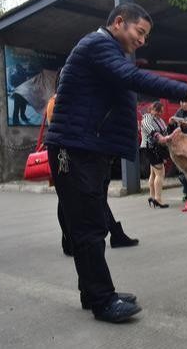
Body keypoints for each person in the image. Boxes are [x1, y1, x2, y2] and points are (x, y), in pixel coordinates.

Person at [44, 3, 187, 323]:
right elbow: (133, 77)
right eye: (139, 32)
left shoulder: (106, 51)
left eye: (146, 36)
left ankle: (92, 293)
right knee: (89, 228)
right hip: (75, 150)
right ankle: (102, 299)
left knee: (91, 225)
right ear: (118, 23)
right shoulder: (98, 45)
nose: (142, 40)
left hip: (88, 150)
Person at [47, 93, 139, 257]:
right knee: (68, 201)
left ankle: (112, 234)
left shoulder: (84, 99)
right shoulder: (56, 101)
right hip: (69, 159)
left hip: (93, 157)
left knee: (96, 198)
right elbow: (59, 129)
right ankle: (70, 240)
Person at [140, 101, 169, 208]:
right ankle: (158, 199)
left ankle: (152, 197)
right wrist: (157, 135)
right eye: (157, 110)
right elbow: (147, 126)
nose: (159, 113)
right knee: (160, 173)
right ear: (151, 109)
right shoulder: (147, 117)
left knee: (153, 174)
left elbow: (165, 132)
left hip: (154, 149)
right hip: (151, 148)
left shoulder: (160, 120)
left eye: (161, 111)